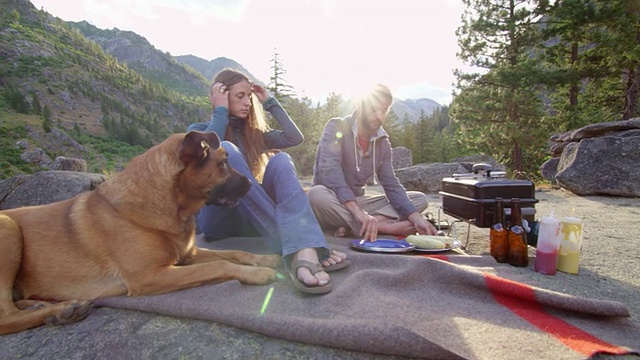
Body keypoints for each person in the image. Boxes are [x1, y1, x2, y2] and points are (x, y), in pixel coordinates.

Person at [187, 69, 348, 295]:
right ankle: (302, 246)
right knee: (228, 152)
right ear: (221, 96)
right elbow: (209, 150)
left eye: (249, 97)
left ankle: (301, 248)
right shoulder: (199, 131)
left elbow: (295, 137)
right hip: (218, 220)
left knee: (281, 160)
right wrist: (220, 111)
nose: (247, 103)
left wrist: (269, 101)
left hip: (250, 218)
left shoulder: (254, 134)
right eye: (239, 96)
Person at [308, 84, 438, 242]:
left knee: (419, 199)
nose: (379, 116)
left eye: (384, 111)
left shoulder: (383, 143)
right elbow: (330, 172)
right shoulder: (336, 126)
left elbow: (391, 184)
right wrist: (361, 214)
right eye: (374, 110)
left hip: (359, 203)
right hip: (332, 201)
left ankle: (356, 226)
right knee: (316, 195)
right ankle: (384, 227)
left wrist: (418, 219)